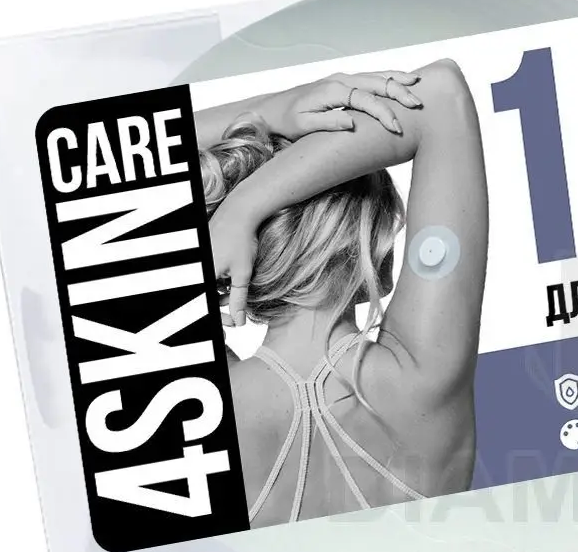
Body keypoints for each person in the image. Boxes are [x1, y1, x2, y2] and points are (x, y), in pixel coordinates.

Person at [194, 61, 487, 526]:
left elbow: (116, 164)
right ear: (373, 241)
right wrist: (244, 208)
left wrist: (269, 113)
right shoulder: (426, 375)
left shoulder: (201, 405)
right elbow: (440, 96)